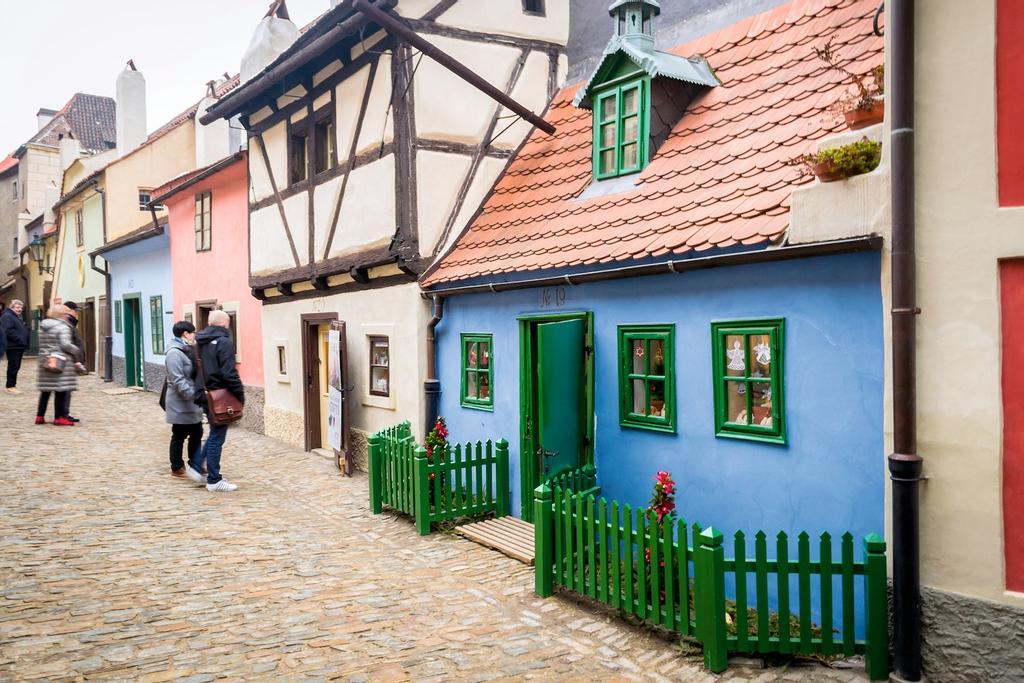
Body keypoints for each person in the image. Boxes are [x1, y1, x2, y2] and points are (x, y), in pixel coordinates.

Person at [186, 310, 244, 492]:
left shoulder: (198, 343)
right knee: (217, 437)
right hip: (219, 396)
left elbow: (192, 371)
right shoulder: (224, 342)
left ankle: (196, 465)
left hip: (204, 394)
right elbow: (229, 373)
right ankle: (214, 479)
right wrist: (239, 395)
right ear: (224, 324)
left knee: (214, 433)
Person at [165, 321, 204, 479]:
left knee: (197, 432)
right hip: (180, 402)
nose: (194, 335)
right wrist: (194, 396)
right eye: (193, 332)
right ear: (185, 334)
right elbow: (177, 379)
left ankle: (195, 464)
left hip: (191, 401)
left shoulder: (187, 349)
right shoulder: (174, 353)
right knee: (179, 433)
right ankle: (176, 467)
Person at [35, 304, 80, 425]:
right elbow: (65, 345)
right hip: (60, 361)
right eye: (66, 314)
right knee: (61, 390)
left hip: (46, 360)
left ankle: (39, 416)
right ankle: (59, 417)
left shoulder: (43, 326)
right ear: (61, 315)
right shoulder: (63, 327)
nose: (68, 316)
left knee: (46, 390)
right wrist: (76, 350)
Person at [63, 301, 86, 422]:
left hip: (71, 360)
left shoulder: (70, 323)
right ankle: (63, 414)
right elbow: (69, 344)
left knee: (67, 389)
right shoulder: (67, 324)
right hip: (69, 361)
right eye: (75, 310)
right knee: (66, 389)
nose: (76, 313)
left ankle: (64, 413)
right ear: (69, 311)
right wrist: (76, 360)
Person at [2, 299, 30, 394]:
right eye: (17, 307)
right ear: (12, 307)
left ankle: (12, 385)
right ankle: (10, 386)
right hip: (13, 346)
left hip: (18, 345)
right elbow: (8, 331)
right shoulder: (7, 316)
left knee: (16, 366)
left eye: (21, 307)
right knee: (13, 366)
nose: (20, 309)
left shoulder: (15, 317)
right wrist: (20, 339)